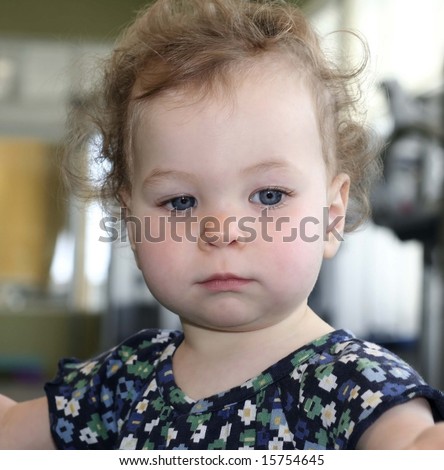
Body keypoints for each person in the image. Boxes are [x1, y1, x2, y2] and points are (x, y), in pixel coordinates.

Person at [1, 0, 444, 450]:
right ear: (132, 224)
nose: (222, 230)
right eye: (180, 201)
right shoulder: (124, 382)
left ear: (331, 218)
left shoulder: (354, 385)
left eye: (268, 196)